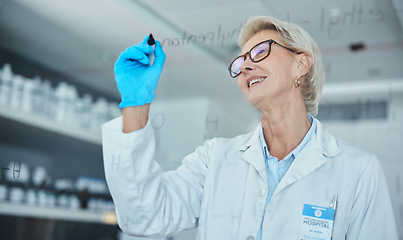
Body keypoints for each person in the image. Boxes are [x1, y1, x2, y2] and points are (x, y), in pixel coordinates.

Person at [102, 16, 398, 240]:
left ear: (301, 64)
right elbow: (145, 216)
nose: (244, 66)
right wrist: (135, 105)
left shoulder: (357, 170)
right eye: (240, 61)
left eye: (260, 52)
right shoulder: (214, 158)